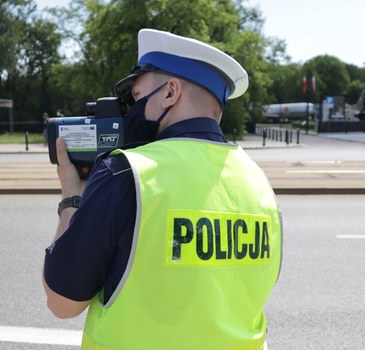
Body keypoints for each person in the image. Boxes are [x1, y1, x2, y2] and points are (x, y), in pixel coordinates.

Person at [43, 28, 282, 350]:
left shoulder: (127, 172)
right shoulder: (258, 183)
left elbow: (62, 303)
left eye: (138, 97)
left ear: (170, 92)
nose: (132, 111)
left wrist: (72, 199)